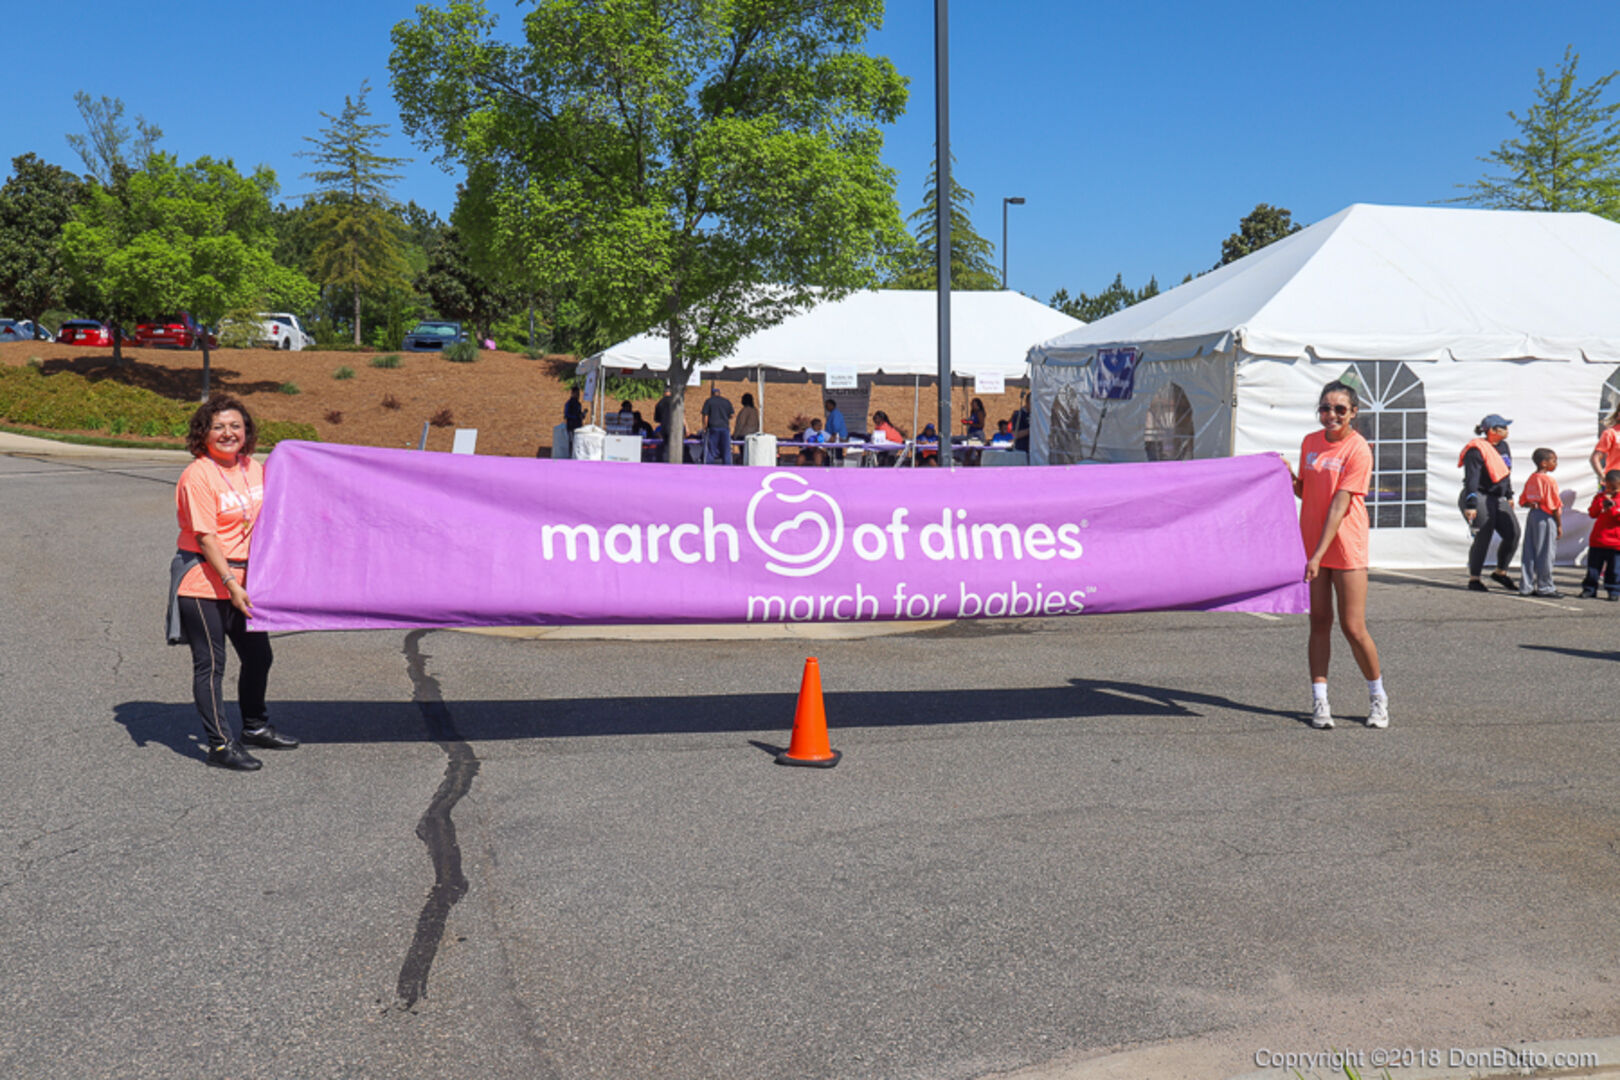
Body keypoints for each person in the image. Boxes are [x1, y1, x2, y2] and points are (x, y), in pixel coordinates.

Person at [166, 396, 298, 771]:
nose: (228, 433)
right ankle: (220, 745)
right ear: (203, 433)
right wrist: (230, 582)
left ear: (246, 431)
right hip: (204, 579)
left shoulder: (251, 468)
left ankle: (254, 727)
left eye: (235, 426)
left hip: (246, 578)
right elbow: (206, 538)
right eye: (218, 426)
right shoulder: (198, 475)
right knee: (210, 664)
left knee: (259, 656)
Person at [1290, 380, 1388, 730]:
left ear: (1353, 412)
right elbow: (1307, 489)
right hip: (1312, 543)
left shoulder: (1358, 449)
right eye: (1324, 408)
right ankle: (1320, 701)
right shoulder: (1310, 443)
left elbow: (1339, 504)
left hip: (1345, 544)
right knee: (1318, 622)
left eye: (1339, 409)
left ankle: (1377, 697)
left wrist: (1317, 555)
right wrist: (1286, 476)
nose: (1330, 415)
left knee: (1352, 626)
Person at [1459, 413, 1519, 592]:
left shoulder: (1503, 446)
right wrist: (1471, 504)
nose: (1507, 430)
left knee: (1513, 533)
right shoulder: (1476, 450)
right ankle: (1474, 578)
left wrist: (1508, 495)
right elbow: (1472, 478)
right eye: (1504, 427)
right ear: (1492, 430)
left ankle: (1500, 572)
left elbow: (1505, 472)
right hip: (1479, 494)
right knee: (1484, 535)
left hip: (1497, 496)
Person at [1517, 448, 1564, 597]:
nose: (1555, 464)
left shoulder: (1532, 478)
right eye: (1553, 461)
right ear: (1544, 463)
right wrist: (1559, 524)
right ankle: (1545, 586)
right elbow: (1554, 505)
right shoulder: (1548, 480)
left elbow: (1523, 500)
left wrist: (1531, 504)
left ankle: (1526, 585)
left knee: (1529, 551)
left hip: (1533, 515)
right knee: (1545, 552)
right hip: (1545, 516)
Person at [1580, 469, 1620, 600]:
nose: (1611, 490)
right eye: (1608, 487)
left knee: (1614, 570)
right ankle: (1589, 588)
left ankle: (1613, 590)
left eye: (1614, 488)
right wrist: (1601, 502)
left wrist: (1612, 509)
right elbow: (1592, 513)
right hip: (1598, 540)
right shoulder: (1600, 497)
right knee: (1593, 568)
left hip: (1615, 542)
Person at [700, 385, 734, 464]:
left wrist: (705, 427)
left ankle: (710, 468)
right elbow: (732, 415)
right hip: (725, 428)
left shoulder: (709, 401)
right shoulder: (726, 401)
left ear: (712, 394)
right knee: (726, 450)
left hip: (713, 428)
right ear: (719, 393)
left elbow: (706, 416)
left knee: (711, 450)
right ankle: (728, 468)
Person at [1590, 401, 1620, 483]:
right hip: (1616, 482)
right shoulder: (1610, 433)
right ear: (1618, 414)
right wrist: (1603, 477)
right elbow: (1595, 457)